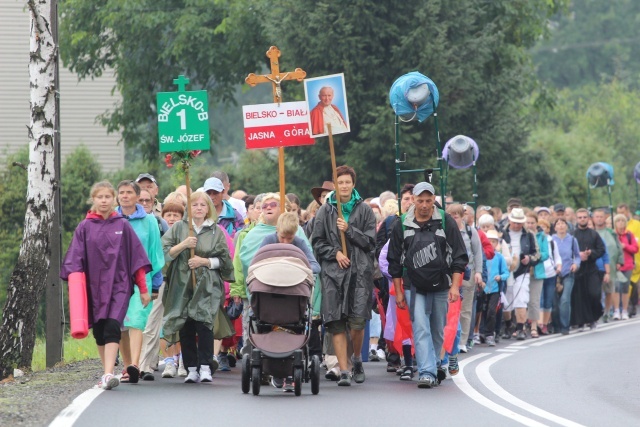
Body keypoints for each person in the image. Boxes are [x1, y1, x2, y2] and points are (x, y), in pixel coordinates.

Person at [61, 181, 152, 390]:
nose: (104, 201)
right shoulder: (84, 227)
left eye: (108, 197)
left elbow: (136, 260)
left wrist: (144, 290)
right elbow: (74, 262)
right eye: (100, 197)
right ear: (93, 199)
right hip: (93, 288)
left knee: (112, 326)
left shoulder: (122, 225)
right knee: (100, 331)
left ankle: (109, 373)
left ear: (114, 200)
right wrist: (75, 294)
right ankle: (106, 372)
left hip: (119, 286)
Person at [387, 182, 468, 388]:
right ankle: (427, 372)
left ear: (434, 201)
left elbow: (459, 256)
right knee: (420, 327)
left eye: (428, 200)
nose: (424, 205)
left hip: (441, 283)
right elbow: (394, 261)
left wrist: (455, 286)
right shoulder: (402, 224)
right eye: (420, 200)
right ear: (413, 199)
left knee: (438, 328)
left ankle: (437, 363)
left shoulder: (445, 221)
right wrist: (398, 292)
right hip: (413, 285)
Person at [312, 165, 376, 386]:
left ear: (353, 184)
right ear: (335, 185)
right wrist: (336, 253)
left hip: (359, 273)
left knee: (357, 322)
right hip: (333, 274)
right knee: (336, 322)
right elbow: (317, 242)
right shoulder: (325, 210)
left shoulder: (365, 210)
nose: (344, 186)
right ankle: (344, 369)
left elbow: (370, 242)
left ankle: (356, 358)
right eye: (340, 182)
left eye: (348, 182)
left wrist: (349, 230)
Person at [162, 191, 234, 383]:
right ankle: (191, 368)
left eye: (203, 205)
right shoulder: (178, 228)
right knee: (185, 326)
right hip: (182, 284)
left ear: (208, 208)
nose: (199, 208)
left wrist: (204, 261)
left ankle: (205, 367)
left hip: (207, 285)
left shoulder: (215, 231)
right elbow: (164, 253)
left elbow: (224, 261)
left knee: (204, 325)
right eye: (195, 205)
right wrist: (184, 245)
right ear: (189, 208)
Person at [115, 180, 164, 383]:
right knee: (119, 323)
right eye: (121, 192)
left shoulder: (150, 220)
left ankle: (135, 363)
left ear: (137, 196)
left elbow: (155, 252)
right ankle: (127, 366)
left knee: (136, 320)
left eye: (129, 192)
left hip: (141, 277)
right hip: (115, 278)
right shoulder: (110, 218)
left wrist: (155, 283)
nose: (125, 196)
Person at [501, 208, 540, 340]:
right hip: (506, 270)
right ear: (510, 220)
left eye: (519, 223)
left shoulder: (529, 235)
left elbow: (537, 254)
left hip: (522, 271)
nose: (517, 225)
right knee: (506, 300)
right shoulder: (502, 233)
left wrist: (529, 259)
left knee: (521, 299)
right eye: (515, 222)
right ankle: (508, 326)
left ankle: (520, 328)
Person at [571, 209, 606, 330]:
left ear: (588, 218)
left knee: (594, 294)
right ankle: (582, 321)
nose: (582, 219)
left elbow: (601, 249)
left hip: (591, 269)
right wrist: (578, 255)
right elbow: (567, 252)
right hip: (578, 269)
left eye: (584, 217)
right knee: (579, 296)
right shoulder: (572, 235)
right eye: (580, 217)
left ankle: (594, 317)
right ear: (576, 219)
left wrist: (591, 253)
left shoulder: (594, 234)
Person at [593, 209, 623, 322]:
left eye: (601, 216)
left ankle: (607, 311)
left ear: (605, 217)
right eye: (597, 216)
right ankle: (598, 312)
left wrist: (619, 261)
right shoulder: (592, 233)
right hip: (596, 267)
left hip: (610, 265)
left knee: (609, 290)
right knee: (597, 291)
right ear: (593, 218)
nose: (599, 218)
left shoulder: (611, 232)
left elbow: (618, 247)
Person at [482, 230, 510, 346]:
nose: (491, 243)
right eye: (489, 241)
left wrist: (500, 277)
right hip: (482, 288)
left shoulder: (499, 257)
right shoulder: (482, 255)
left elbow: (506, 273)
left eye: (494, 241)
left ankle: (490, 334)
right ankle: (481, 333)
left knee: (492, 311)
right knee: (482, 312)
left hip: (495, 289)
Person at [525, 212, 549, 338]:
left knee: (534, 300)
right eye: (528, 222)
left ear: (536, 223)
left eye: (532, 223)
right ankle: (521, 325)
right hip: (523, 271)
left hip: (537, 271)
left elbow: (545, 254)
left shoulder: (542, 236)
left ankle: (534, 326)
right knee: (522, 300)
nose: (530, 225)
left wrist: (534, 258)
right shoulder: (523, 235)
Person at [537, 219, 561, 335]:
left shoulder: (552, 241)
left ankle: (545, 323)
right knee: (539, 300)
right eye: (540, 227)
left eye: (545, 227)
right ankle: (539, 323)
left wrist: (558, 266)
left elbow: (557, 257)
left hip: (551, 273)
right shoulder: (536, 240)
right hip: (539, 273)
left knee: (548, 300)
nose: (542, 229)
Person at [613, 214, 639, 320]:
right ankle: (616, 310)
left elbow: (635, 248)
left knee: (625, 288)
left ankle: (624, 310)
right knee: (616, 287)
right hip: (615, 266)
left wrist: (625, 246)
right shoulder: (612, 235)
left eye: (622, 221)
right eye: (618, 221)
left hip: (627, 265)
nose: (620, 223)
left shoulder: (629, 235)